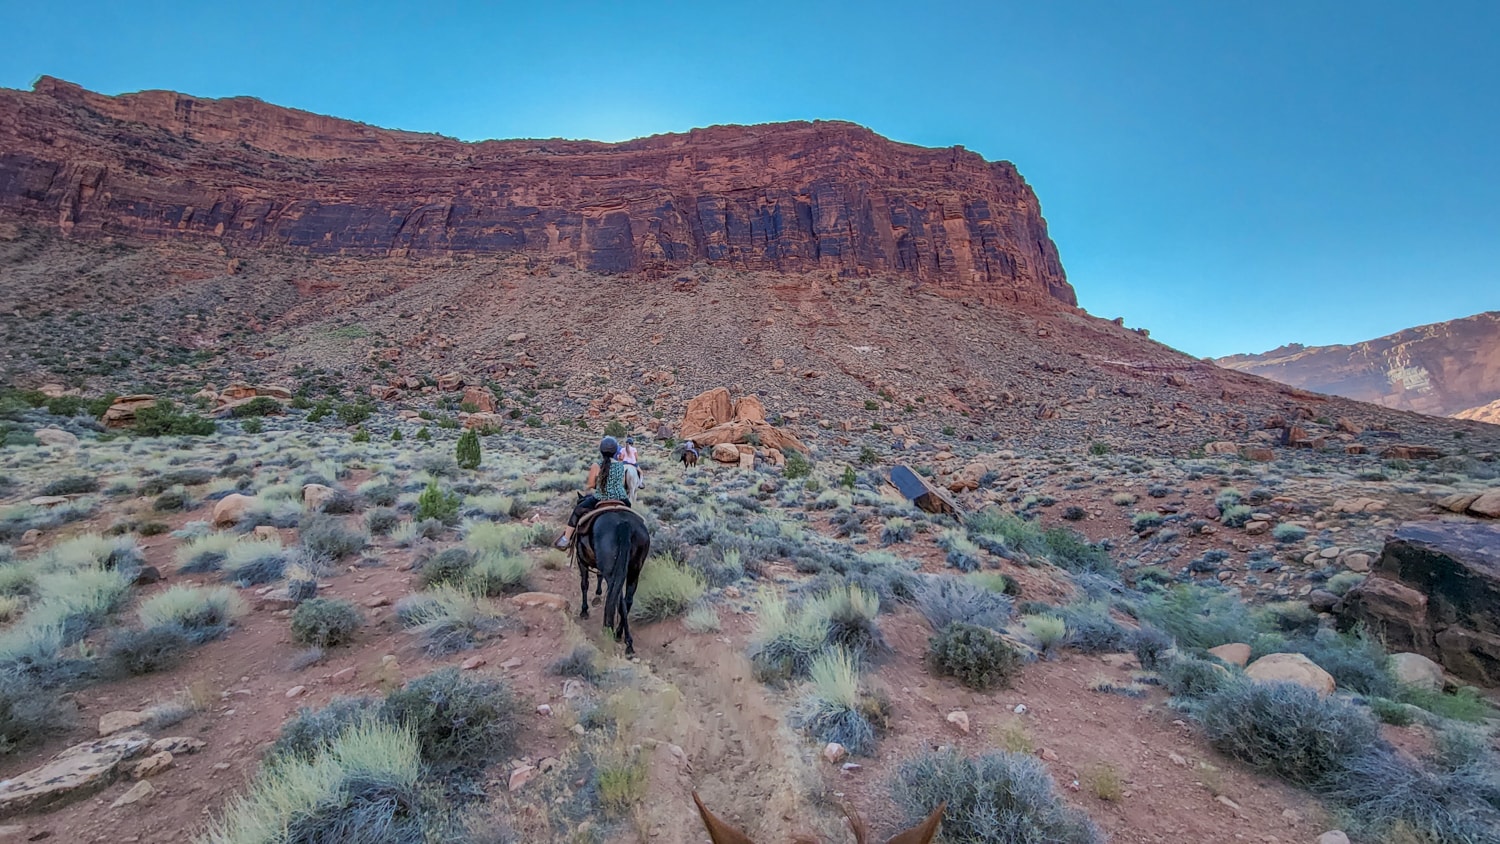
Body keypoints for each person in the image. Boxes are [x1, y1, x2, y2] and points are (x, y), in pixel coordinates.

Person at [555, 436, 632, 549]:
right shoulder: (621, 466)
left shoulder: (596, 466)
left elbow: (590, 485)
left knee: (577, 511)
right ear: (615, 451)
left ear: (601, 451)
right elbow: (622, 484)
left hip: (601, 497)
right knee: (630, 511)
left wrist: (600, 485)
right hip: (621, 498)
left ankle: (566, 539)